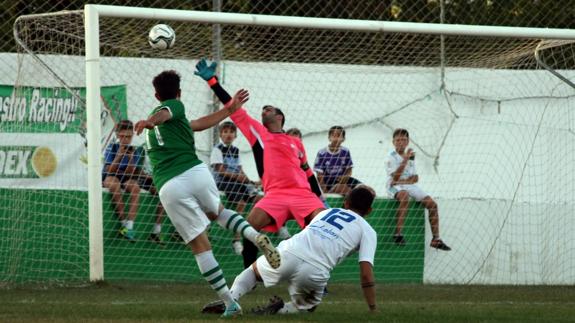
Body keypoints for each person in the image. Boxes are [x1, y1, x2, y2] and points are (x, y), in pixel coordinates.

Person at [134, 70, 280, 317]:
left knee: (200, 246)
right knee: (220, 212)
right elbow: (198, 124)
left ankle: (230, 303)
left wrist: (150, 121)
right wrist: (231, 108)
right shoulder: (176, 112)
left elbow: (164, 114)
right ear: (179, 93)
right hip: (195, 172)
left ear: (156, 95)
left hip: (169, 185)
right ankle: (256, 238)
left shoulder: (165, 113)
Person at [194, 58, 326, 268]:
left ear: (280, 117)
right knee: (249, 230)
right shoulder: (259, 133)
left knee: (323, 230)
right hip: (274, 195)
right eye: (263, 110)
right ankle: (250, 276)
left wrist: (320, 198)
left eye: (269, 109)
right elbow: (233, 108)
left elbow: (308, 172)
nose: (264, 111)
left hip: (303, 194)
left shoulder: (296, 143)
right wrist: (212, 81)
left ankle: (319, 279)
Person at [202, 185, 378, 315]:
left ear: (346, 203)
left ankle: (231, 299)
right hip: (316, 270)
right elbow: (366, 275)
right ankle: (279, 311)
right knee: (308, 305)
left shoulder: (327, 212)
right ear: (369, 210)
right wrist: (372, 309)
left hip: (289, 252)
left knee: (252, 271)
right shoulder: (368, 231)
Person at [386, 128, 451, 251]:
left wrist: (404, 179)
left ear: (408, 141)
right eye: (398, 140)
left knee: (432, 204)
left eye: (403, 140)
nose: (401, 142)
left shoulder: (411, 157)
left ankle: (436, 239)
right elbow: (394, 177)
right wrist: (405, 160)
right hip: (393, 186)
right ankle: (398, 234)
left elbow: (415, 178)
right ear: (393, 142)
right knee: (404, 197)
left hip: (408, 185)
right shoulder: (391, 157)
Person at [102, 119, 164, 243]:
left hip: (126, 176)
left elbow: (130, 173)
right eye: (123, 136)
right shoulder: (112, 148)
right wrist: (119, 156)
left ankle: (130, 227)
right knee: (114, 185)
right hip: (110, 175)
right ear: (117, 135)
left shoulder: (134, 151)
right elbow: (110, 170)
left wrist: (130, 159)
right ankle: (123, 222)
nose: (126, 139)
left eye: (129, 137)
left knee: (135, 187)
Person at [210, 121, 261, 255]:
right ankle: (236, 240)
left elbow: (240, 170)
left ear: (235, 135)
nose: (228, 134)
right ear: (220, 134)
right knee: (241, 204)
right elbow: (220, 171)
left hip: (236, 181)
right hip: (222, 181)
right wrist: (239, 178)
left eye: (231, 132)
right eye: (225, 131)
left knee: (258, 199)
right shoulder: (217, 149)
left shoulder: (235, 150)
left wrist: (250, 181)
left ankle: (254, 234)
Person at [314, 125, 362, 196]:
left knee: (365, 189)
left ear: (343, 139)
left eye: (339, 135)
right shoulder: (322, 153)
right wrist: (324, 191)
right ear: (329, 138)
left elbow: (349, 168)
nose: (336, 138)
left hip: (344, 180)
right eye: (333, 135)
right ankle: (353, 204)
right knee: (343, 188)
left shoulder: (345, 151)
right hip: (329, 182)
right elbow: (319, 175)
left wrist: (346, 176)